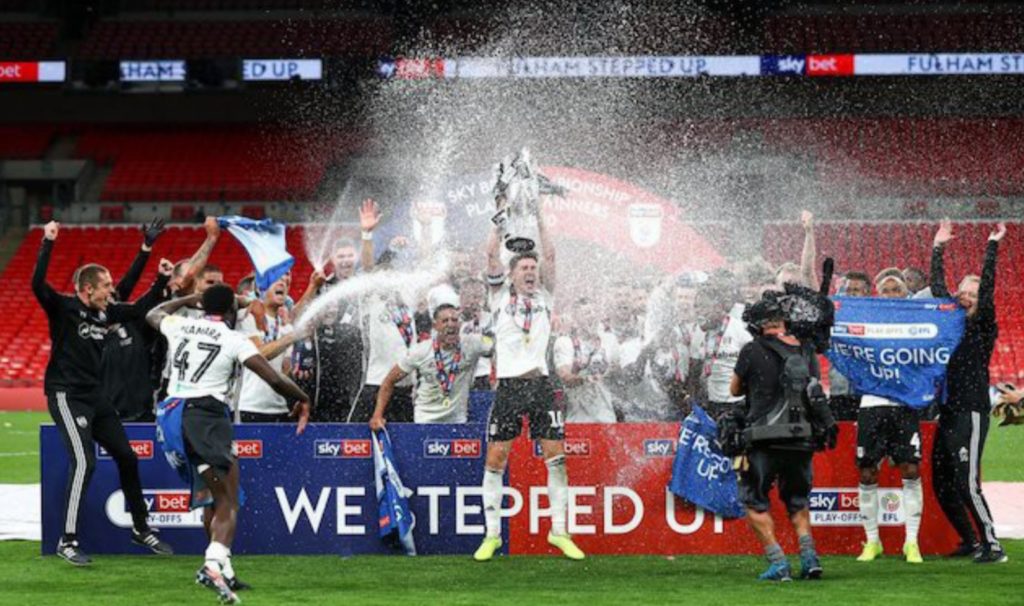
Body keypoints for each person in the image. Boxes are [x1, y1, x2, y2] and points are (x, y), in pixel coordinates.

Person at [146, 285, 310, 604]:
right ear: (232, 312)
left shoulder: (180, 325)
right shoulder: (234, 339)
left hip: (171, 416)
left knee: (211, 495)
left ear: (202, 306)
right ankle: (212, 566)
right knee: (228, 500)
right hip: (205, 417)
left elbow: (153, 313)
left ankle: (225, 569)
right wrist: (302, 398)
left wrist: (188, 299)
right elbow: (273, 378)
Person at [32, 220, 174, 565]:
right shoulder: (64, 308)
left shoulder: (106, 311)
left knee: (127, 456)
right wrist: (48, 242)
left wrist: (159, 279)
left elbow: (138, 309)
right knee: (84, 461)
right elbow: (37, 284)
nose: (112, 291)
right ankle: (67, 541)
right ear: (87, 289)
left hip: (95, 397)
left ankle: (140, 527)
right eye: (106, 286)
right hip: (67, 395)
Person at [473, 208, 584, 562]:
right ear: (512, 274)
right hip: (508, 388)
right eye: (524, 268)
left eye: (533, 268)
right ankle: (491, 536)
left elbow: (551, 254)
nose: (531, 272)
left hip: (541, 387)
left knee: (557, 459)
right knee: (496, 460)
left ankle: (559, 531)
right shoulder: (498, 298)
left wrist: (538, 215)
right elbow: (490, 254)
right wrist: (499, 221)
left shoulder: (545, 298)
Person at [728, 293, 837, 582]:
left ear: (758, 324)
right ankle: (809, 558)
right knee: (798, 501)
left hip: (762, 440)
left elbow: (734, 390)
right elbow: (815, 389)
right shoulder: (806, 349)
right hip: (801, 439)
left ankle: (778, 562)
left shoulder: (751, 350)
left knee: (754, 501)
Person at [930, 220, 1008, 563]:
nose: (968, 297)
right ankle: (970, 539)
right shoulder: (950, 320)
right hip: (948, 410)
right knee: (941, 480)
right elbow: (937, 290)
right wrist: (938, 247)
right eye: (964, 291)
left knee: (966, 480)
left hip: (971, 410)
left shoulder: (983, 324)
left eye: (974, 294)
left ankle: (993, 544)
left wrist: (992, 246)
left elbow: (987, 289)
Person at [854, 270, 925, 564]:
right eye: (887, 290)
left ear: (906, 294)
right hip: (872, 404)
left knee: (910, 469)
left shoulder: (917, 324)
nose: (892, 295)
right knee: (867, 472)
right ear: (878, 294)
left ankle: (911, 542)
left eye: (897, 290)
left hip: (903, 405)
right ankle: (872, 541)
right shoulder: (865, 323)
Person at [302, 199, 379, 422]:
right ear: (333, 260)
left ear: (356, 258)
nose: (345, 261)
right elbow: (301, 317)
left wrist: (366, 234)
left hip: (357, 358)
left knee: (353, 415)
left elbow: (369, 268)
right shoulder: (323, 285)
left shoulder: (361, 284)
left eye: (349, 256)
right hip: (325, 361)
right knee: (324, 414)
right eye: (341, 257)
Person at [370, 303, 492, 427]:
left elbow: (498, 348)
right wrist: (377, 415)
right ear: (435, 326)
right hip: (425, 420)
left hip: (458, 421)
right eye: (445, 321)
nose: (450, 324)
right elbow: (389, 381)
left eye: (454, 320)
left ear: (460, 324)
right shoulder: (420, 351)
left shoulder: (473, 344)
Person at [102, 219, 167, 421]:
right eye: (106, 287)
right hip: (110, 405)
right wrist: (160, 281)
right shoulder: (96, 317)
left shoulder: (119, 311)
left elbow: (130, 279)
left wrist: (146, 247)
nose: (112, 290)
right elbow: (139, 307)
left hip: (138, 401)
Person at [236, 273, 322, 423]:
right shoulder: (248, 316)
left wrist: (313, 286)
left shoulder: (284, 325)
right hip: (249, 406)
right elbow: (258, 354)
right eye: (275, 280)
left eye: (285, 281)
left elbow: (283, 370)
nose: (282, 283)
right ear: (260, 288)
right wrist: (293, 336)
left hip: (280, 408)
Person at [553, 297, 618, 423]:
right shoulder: (565, 342)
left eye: (594, 313)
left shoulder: (610, 340)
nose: (591, 317)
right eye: (586, 314)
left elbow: (619, 376)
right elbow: (565, 377)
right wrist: (585, 379)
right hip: (578, 419)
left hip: (607, 419)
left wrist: (612, 372)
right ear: (575, 319)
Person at [828, 271, 871, 421]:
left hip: (867, 389)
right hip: (840, 389)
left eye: (856, 290)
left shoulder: (876, 316)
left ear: (866, 292)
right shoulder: (834, 315)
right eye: (848, 290)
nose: (851, 294)